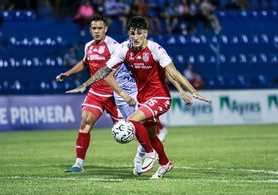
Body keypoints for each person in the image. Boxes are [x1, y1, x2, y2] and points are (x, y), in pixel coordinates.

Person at [67, 16, 211, 179]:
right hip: (143, 98)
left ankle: (150, 154)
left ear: (146, 33)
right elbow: (105, 71)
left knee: (133, 121)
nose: (135, 37)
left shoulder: (156, 49)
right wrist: (86, 84)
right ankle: (165, 163)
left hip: (161, 97)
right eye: (132, 33)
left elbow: (173, 73)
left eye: (139, 33)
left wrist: (191, 90)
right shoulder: (124, 48)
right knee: (151, 136)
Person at [56, 15, 134, 173]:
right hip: (96, 93)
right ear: (90, 30)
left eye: (100, 28)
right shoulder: (88, 46)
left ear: (106, 29)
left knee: (134, 127)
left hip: (115, 95)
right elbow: (85, 63)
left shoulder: (114, 46)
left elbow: (122, 65)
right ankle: (78, 164)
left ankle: (147, 156)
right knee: (85, 122)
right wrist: (68, 73)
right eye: (94, 28)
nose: (97, 31)